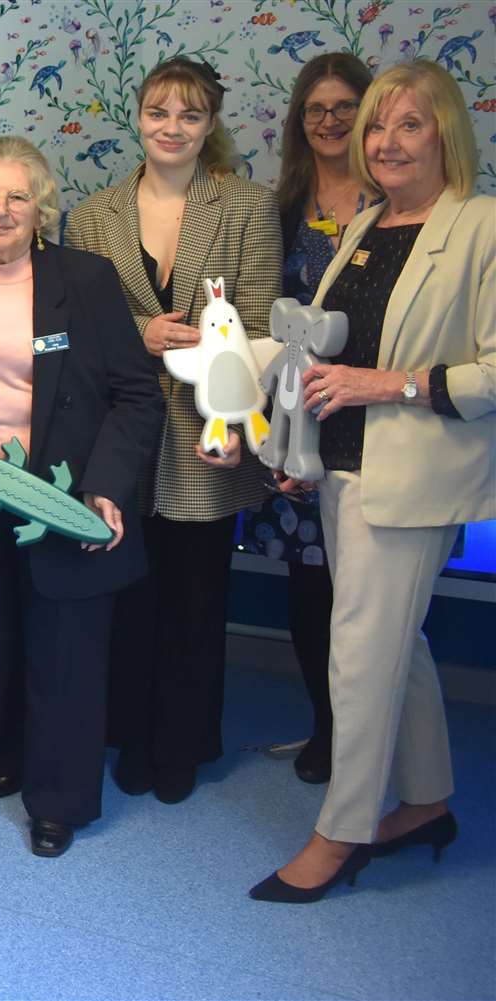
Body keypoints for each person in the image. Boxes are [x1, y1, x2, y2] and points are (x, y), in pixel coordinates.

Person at [251, 60, 493, 903]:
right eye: (378, 129)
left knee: (357, 657)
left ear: (446, 134)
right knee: (402, 647)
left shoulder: (483, 227)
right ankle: (426, 803)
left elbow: (491, 371)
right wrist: (292, 438)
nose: (388, 143)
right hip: (340, 467)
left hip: (413, 477)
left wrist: (383, 385)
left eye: (409, 125)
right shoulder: (367, 224)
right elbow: (323, 347)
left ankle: (340, 831)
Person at [0, 136, 163, 857]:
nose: (2, 208)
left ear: (40, 207)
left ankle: (60, 799)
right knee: (7, 637)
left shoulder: (86, 279)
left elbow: (137, 397)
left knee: (67, 655)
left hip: (66, 500)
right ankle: (10, 756)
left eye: (18, 196)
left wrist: (108, 490)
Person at [64, 57, 283, 806]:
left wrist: (234, 421)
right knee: (128, 591)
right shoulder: (96, 215)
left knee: (195, 595)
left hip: (207, 428)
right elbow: (83, 326)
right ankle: (133, 734)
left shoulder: (248, 207)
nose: (173, 128)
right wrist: (140, 330)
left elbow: (257, 324)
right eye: (160, 112)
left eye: (190, 115)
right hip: (123, 430)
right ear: (139, 116)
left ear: (211, 124)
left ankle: (183, 743)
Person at [252, 51, 374, 785]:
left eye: (343, 107)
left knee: (372, 588)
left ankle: (374, 731)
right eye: (315, 109)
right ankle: (326, 728)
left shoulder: (396, 202)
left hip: (374, 412)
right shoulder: (282, 204)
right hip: (299, 422)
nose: (329, 121)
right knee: (309, 584)